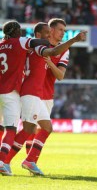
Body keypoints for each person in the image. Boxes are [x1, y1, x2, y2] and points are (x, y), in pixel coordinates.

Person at [0, 20, 86, 176]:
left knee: (43, 128)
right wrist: (74, 40)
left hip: (38, 93)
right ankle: (5, 161)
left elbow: (59, 73)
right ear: (49, 31)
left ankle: (28, 161)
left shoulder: (33, 47)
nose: (63, 33)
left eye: (64, 31)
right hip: (30, 91)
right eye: (59, 30)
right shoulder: (38, 47)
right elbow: (50, 53)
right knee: (26, 128)